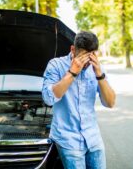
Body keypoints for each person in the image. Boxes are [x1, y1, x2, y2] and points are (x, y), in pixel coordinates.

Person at [42, 31, 116, 169]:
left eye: (91, 56)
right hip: (68, 139)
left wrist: (99, 75)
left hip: (93, 137)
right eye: (83, 57)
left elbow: (110, 103)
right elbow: (48, 99)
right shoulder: (55, 65)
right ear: (72, 49)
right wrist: (72, 72)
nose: (86, 63)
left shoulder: (97, 68)